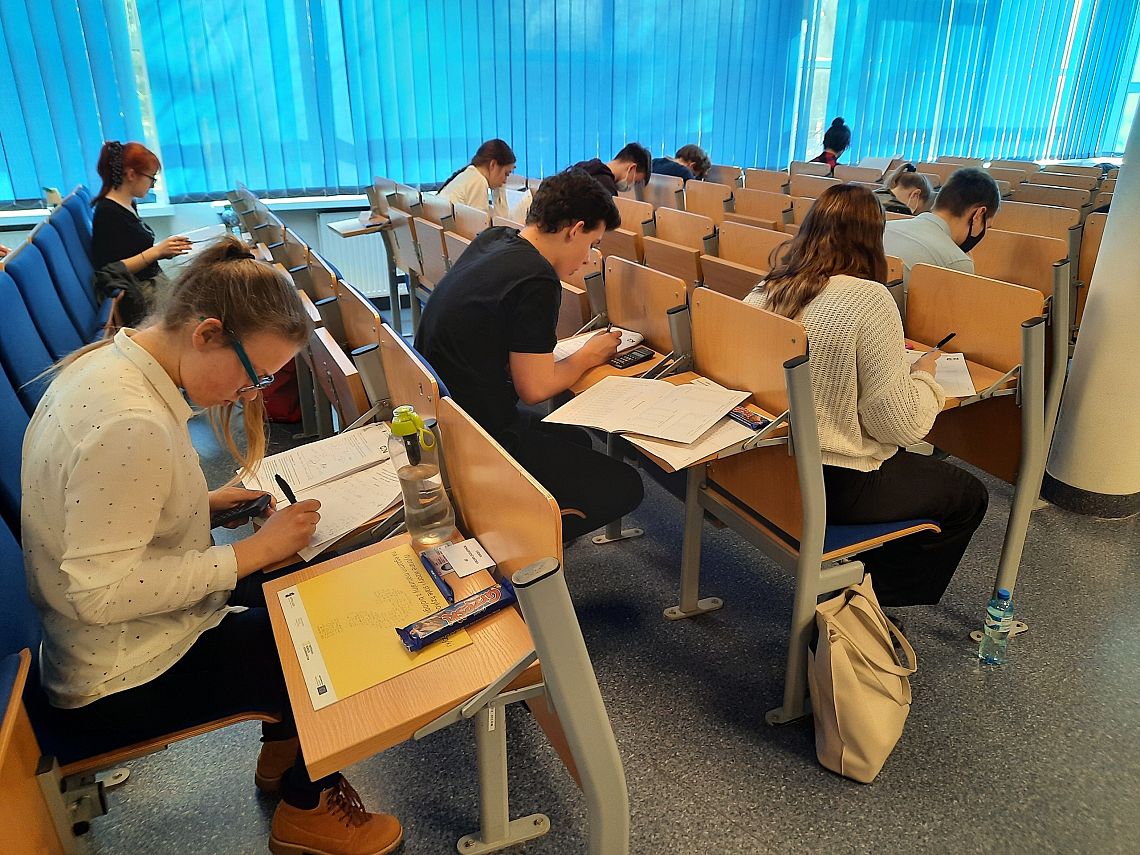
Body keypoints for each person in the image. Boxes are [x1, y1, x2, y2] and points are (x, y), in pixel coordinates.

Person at [21, 237, 403, 855]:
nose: (251, 395)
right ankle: (306, 809)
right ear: (206, 334)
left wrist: (203, 503)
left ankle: (285, 753)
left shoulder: (113, 368)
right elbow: (100, 593)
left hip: (107, 642)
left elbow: (104, 514)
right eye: (254, 377)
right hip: (117, 676)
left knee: (303, 580)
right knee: (326, 634)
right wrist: (251, 553)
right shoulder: (129, 422)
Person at [743, 185, 988, 607]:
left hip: (766, 469)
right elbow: (900, 426)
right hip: (834, 484)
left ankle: (865, 586)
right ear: (874, 237)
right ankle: (872, 604)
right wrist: (925, 379)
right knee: (968, 495)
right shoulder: (869, 298)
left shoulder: (769, 288)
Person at [414, 169, 644, 540]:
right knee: (626, 487)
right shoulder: (537, 278)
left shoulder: (495, 239)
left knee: (577, 441)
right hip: (478, 437)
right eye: (591, 243)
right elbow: (535, 389)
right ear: (574, 230)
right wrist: (590, 354)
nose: (588, 259)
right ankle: (516, 541)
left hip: (445, 418)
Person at [91, 140, 191, 324]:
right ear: (131, 174)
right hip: (141, 293)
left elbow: (131, 248)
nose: (152, 185)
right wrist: (157, 251)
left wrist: (164, 251)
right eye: (151, 178)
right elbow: (111, 269)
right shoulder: (107, 212)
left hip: (151, 281)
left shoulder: (128, 204)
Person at [883, 167, 1001, 284]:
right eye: (986, 226)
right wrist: (961, 259)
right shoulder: (956, 262)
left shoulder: (885, 227)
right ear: (979, 215)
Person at [436, 138, 516, 217]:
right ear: (493, 164)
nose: (505, 181)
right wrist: (500, 189)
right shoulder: (479, 181)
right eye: (506, 173)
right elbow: (489, 224)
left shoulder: (470, 174)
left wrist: (499, 187)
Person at [571, 142, 652, 195]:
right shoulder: (607, 188)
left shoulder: (581, 168)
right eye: (636, 182)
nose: (631, 186)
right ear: (632, 168)